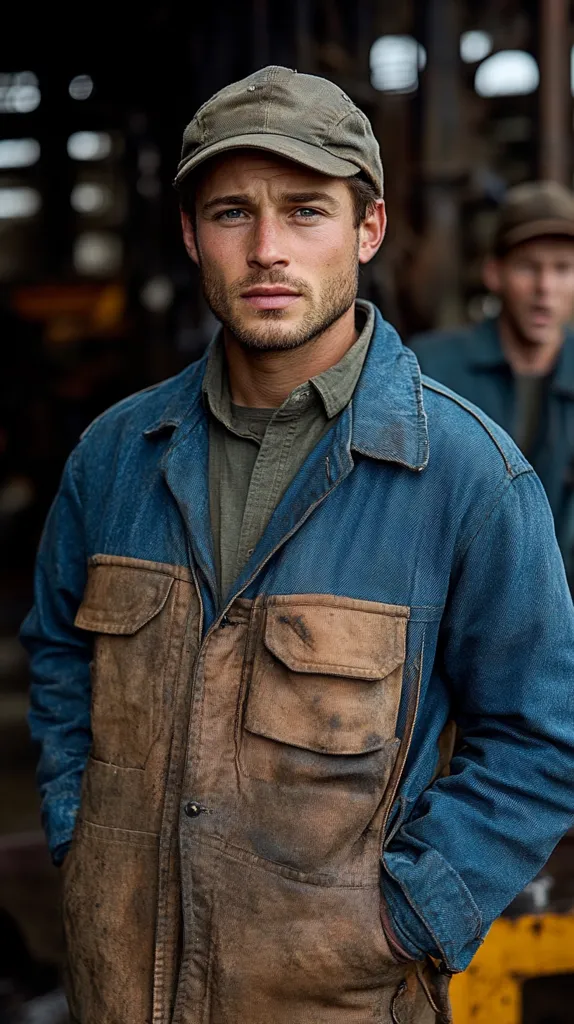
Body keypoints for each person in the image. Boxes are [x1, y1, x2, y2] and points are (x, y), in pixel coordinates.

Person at [20, 67, 574, 1024]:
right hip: (121, 987)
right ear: (191, 235)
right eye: (232, 213)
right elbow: (61, 659)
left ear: (369, 229)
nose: (267, 249)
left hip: (337, 997)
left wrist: (406, 918)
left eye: (307, 210)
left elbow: (543, 737)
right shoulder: (113, 458)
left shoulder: (468, 476)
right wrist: (83, 832)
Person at [409, 182, 574, 586]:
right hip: (455, 600)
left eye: (562, 269)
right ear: (494, 273)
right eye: (528, 268)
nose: (544, 289)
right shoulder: (431, 369)